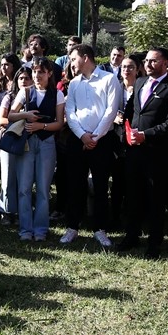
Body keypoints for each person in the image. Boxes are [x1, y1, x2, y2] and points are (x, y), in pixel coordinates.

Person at [118, 47, 168, 258]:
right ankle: (131, 236)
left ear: (165, 63)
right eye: (146, 60)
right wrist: (126, 130)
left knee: (156, 199)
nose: (148, 64)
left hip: (158, 155)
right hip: (134, 152)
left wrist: (146, 135)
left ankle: (154, 243)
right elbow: (131, 111)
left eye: (153, 61)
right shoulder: (139, 83)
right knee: (133, 196)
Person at [61, 43, 121, 248]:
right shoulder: (74, 83)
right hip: (78, 141)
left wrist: (94, 137)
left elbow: (111, 111)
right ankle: (72, 227)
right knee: (74, 184)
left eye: (74, 58)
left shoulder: (109, 79)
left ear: (85, 57)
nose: (71, 63)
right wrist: (82, 136)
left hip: (102, 141)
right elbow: (70, 112)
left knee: (101, 186)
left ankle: (100, 229)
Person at [9, 58, 65, 241]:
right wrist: (25, 114)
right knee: (24, 188)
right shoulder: (25, 91)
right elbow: (10, 115)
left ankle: (40, 229)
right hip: (26, 143)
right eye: (34, 71)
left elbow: (59, 123)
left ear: (49, 73)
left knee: (43, 188)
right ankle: (25, 229)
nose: (37, 75)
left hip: (47, 143)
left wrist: (41, 126)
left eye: (41, 71)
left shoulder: (57, 94)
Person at [0, 66, 33, 227]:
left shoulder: (35, 97)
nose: (24, 81)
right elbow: (1, 120)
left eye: (27, 78)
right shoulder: (9, 97)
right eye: (20, 78)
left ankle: (18, 211)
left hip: (28, 141)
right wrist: (23, 118)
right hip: (11, 139)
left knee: (23, 179)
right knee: (7, 177)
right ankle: (6, 211)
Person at [109, 54, 143, 230]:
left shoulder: (142, 87)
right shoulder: (115, 86)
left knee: (134, 182)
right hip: (116, 139)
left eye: (130, 67)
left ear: (137, 70)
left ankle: (133, 219)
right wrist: (113, 117)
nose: (126, 70)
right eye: (123, 67)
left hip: (135, 139)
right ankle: (114, 218)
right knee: (117, 182)